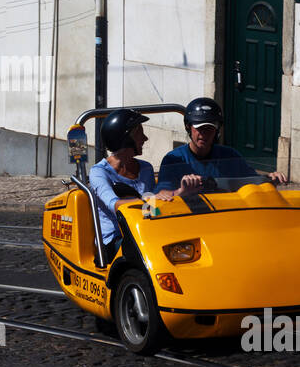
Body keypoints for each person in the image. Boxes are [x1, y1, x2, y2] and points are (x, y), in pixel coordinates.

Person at [88, 108, 190, 258]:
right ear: (125, 139)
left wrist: (180, 192)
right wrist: (150, 199)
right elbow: (114, 204)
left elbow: (150, 210)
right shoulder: (99, 172)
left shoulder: (145, 168)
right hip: (114, 240)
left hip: (143, 232)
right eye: (139, 134)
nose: (145, 138)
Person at [157, 97, 287, 192]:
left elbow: (252, 181)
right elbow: (162, 194)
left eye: (209, 129)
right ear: (188, 127)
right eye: (199, 128)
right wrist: (182, 191)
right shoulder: (173, 159)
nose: (203, 134)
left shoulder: (230, 155)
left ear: (217, 130)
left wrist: (270, 179)